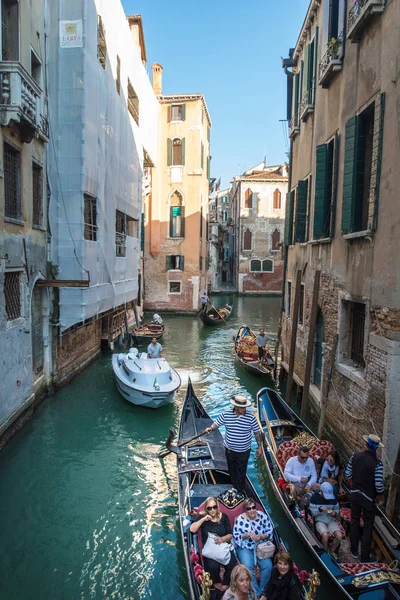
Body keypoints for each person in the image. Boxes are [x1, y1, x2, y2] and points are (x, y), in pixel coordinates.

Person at [205, 396, 263, 494]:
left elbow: (257, 433)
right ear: (236, 407)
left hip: (244, 451)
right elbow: (217, 423)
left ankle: (239, 491)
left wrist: (260, 447)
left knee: (241, 471)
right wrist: (211, 428)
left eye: (245, 407)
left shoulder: (251, 417)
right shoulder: (226, 414)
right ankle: (234, 486)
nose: (244, 409)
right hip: (229, 449)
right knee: (231, 470)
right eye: (242, 407)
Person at [345, 433, 385, 562]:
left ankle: (354, 550)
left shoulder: (354, 456)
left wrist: (357, 483)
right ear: (376, 448)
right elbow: (379, 486)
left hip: (355, 495)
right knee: (368, 525)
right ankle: (365, 556)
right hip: (368, 499)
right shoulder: (377, 464)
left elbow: (347, 475)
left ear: (365, 444)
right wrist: (382, 497)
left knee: (355, 520)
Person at [190, 497, 236, 592]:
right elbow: (192, 529)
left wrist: (222, 539)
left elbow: (230, 534)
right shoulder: (203, 517)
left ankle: (226, 584)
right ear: (206, 509)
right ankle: (216, 584)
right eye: (209, 508)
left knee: (232, 564)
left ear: (217, 507)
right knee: (212, 566)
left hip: (223, 546)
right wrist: (203, 519)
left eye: (214, 507)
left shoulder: (224, 517)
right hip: (210, 549)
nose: (212, 510)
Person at [233, 497, 274, 597]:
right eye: (249, 508)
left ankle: (263, 589)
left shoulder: (262, 516)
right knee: (248, 566)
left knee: (268, 566)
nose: (252, 510)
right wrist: (247, 534)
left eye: (253, 507)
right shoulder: (240, 520)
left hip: (260, 547)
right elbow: (236, 537)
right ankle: (256, 592)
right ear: (245, 510)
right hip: (245, 547)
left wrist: (261, 536)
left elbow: (270, 531)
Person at [309, 482, 343, 556]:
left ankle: (331, 551)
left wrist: (335, 512)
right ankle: (325, 552)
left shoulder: (333, 498)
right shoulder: (314, 497)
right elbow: (312, 512)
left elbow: (337, 508)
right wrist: (319, 509)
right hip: (319, 520)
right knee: (325, 535)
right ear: (321, 492)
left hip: (330, 519)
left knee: (339, 536)